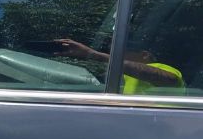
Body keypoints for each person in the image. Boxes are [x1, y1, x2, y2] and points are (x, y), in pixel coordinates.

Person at [53, 38, 185, 94]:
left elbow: (170, 79)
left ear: (144, 55)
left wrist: (94, 55)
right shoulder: (123, 78)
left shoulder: (160, 66)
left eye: (122, 51)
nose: (116, 55)